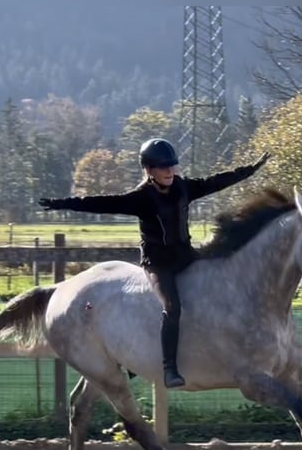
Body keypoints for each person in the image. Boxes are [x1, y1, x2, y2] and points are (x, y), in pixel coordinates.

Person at [38, 138, 270, 388]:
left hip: (186, 257)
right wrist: (62, 203)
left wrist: (250, 170)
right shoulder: (141, 198)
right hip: (159, 265)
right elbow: (100, 202)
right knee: (172, 308)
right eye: (163, 167)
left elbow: (215, 182)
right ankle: (169, 368)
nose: (170, 171)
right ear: (149, 170)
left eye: (172, 166)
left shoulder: (183, 187)